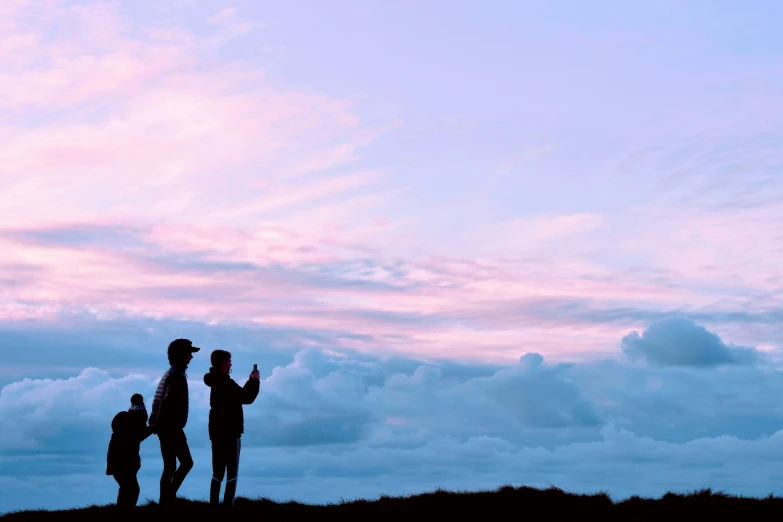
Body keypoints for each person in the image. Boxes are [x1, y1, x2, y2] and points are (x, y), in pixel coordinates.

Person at [203, 350, 260, 506]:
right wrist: (254, 382)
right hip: (231, 432)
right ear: (222, 364)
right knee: (232, 473)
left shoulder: (216, 381)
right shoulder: (225, 382)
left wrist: (249, 383)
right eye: (229, 361)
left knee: (217, 471)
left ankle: (213, 504)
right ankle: (228, 505)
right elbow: (246, 397)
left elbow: (240, 395)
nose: (231, 364)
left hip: (216, 432)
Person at [149, 338, 200, 505]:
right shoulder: (176, 374)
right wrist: (158, 421)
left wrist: (155, 420)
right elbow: (167, 400)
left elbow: (161, 400)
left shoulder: (172, 372)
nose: (191, 357)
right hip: (170, 426)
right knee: (186, 463)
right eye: (189, 353)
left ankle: (166, 499)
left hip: (166, 426)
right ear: (181, 355)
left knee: (170, 466)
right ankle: (168, 498)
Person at [106, 393, 155, 508]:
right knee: (131, 489)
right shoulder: (131, 428)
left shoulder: (121, 427)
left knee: (127, 488)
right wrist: (152, 428)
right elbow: (138, 435)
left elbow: (137, 435)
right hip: (125, 463)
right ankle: (125, 512)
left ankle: (123, 511)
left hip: (117, 463)